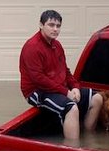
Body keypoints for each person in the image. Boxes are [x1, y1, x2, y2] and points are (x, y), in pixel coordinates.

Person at [19, 10, 103, 139]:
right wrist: (66, 92)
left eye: (58, 26)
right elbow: (38, 79)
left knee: (97, 98)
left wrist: (75, 87)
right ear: (41, 25)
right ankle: (73, 150)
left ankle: (88, 138)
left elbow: (65, 70)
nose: (55, 29)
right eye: (51, 25)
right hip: (36, 91)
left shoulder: (57, 45)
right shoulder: (32, 47)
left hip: (57, 88)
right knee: (72, 108)